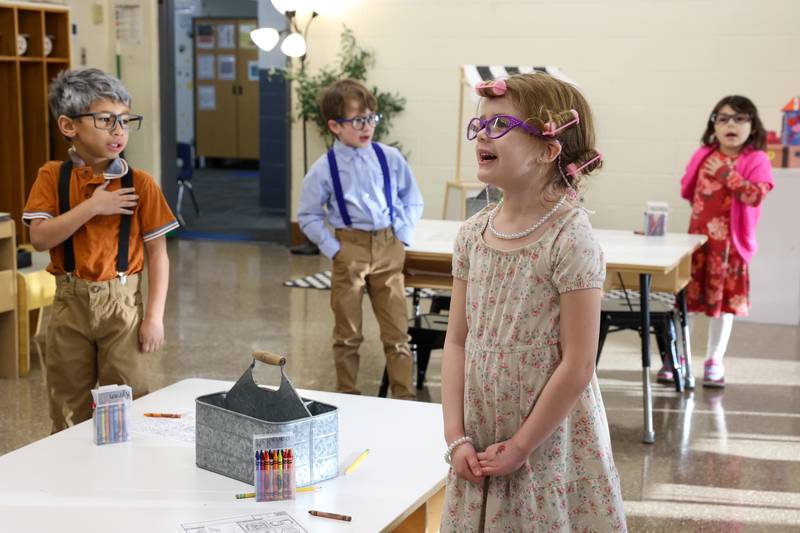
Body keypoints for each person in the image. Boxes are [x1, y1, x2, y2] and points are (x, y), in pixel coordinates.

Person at [440, 73, 626, 531]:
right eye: (479, 124)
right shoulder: (471, 235)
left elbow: (579, 363)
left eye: (499, 124)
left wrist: (523, 444)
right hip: (480, 427)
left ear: (548, 150)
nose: (482, 134)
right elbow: (457, 342)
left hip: (545, 436)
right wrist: (455, 437)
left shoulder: (570, 238)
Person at [23, 68, 179, 431]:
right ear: (68, 126)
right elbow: (41, 238)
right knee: (67, 408)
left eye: (125, 120)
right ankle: (72, 481)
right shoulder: (52, 176)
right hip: (68, 302)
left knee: (125, 404)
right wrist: (91, 207)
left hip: (122, 307)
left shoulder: (140, 183)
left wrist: (154, 316)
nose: (118, 130)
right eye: (105, 119)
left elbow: (158, 253)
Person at [296, 78, 423, 399]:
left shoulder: (389, 157)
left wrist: (402, 237)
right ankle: (347, 395)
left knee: (397, 333)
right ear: (335, 126)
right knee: (347, 333)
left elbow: (413, 198)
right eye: (358, 121)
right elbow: (308, 215)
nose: (367, 127)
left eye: (371, 118)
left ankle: (404, 397)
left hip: (388, 247)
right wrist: (335, 250)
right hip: (349, 248)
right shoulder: (325, 168)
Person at [670, 95, 773, 388]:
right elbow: (687, 191)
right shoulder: (703, 154)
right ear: (713, 124)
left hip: (731, 248)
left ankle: (715, 359)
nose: (731, 124)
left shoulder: (756, 159)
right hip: (699, 244)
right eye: (723, 118)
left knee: (724, 307)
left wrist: (726, 174)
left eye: (740, 119)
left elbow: (755, 195)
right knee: (686, 304)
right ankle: (678, 358)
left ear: (752, 126)